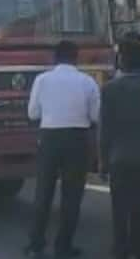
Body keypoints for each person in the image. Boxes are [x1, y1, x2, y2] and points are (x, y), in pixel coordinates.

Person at [26, 41, 100, 259]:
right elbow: (96, 116)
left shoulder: (42, 80)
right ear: (76, 58)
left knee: (43, 193)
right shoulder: (88, 82)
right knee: (72, 196)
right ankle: (63, 246)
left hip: (49, 137)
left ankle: (36, 244)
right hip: (77, 139)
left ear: (54, 58)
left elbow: (32, 113)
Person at [101, 37, 140, 259]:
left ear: (121, 61)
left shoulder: (109, 90)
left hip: (118, 157)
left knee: (119, 208)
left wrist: (102, 161)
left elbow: (104, 130)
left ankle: (120, 249)